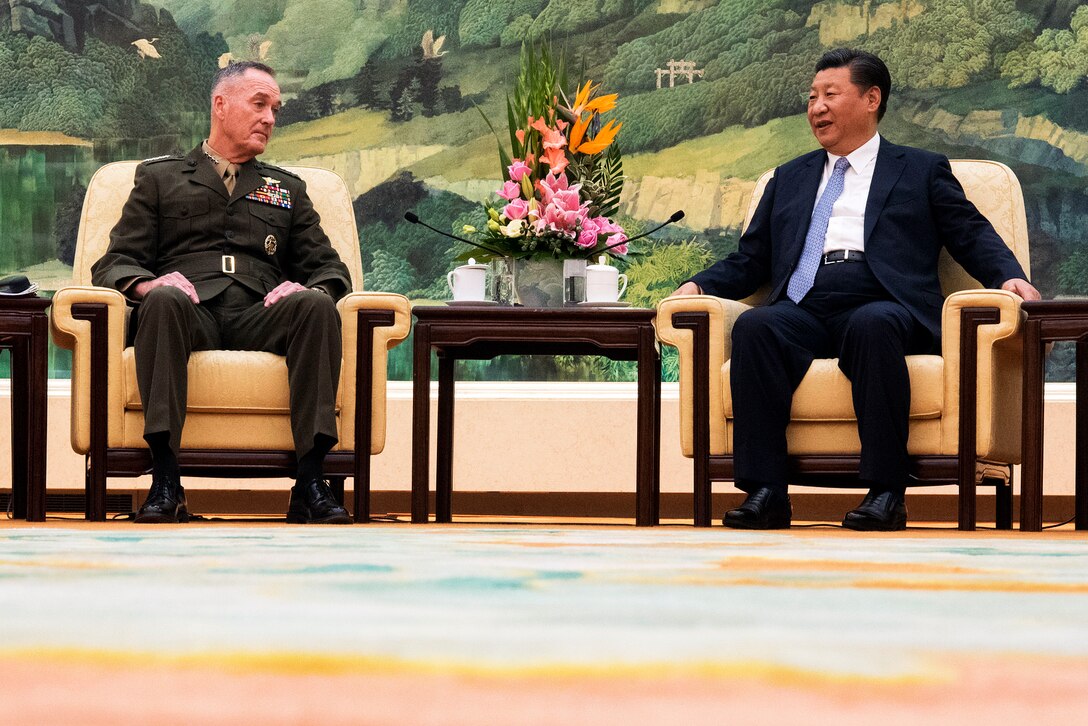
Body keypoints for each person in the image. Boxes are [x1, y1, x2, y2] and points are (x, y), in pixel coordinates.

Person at [672, 48, 1040, 531]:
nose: (816, 107)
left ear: (871, 99)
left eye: (830, 94)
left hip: (884, 300)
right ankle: (766, 492)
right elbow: (753, 259)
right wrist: (698, 284)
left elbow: (969, 232)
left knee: (873, 325)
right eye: (811, 97)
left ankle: (886, 492)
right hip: (804, 301)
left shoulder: (920, 169)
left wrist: (1009, 276)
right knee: (758, 327)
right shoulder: (789, 177)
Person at [91, 61, 354, 525]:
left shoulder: (286, 189)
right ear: (220, 105)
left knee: (315, 304)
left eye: (275, 108)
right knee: (163, 300)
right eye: (259, 104)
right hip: (190, 312)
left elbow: (330, 269)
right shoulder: (160, 179)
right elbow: (114, 262)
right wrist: (150, 283)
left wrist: (308, 285)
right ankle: (166, 480)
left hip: (260, 313)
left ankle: (311, 482)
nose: (270, 117)